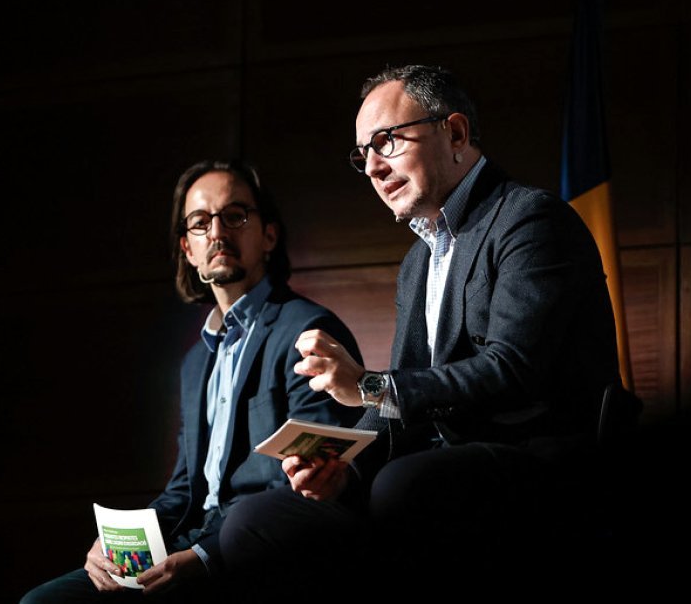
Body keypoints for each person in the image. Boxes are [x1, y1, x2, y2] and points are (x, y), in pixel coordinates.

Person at [218, 65, 633, 592]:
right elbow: (406, 406)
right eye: (362, 153)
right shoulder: (419, 261)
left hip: (539, 465)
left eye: (386, 143)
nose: (371, 166)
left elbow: (514, 369)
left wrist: (369, 386)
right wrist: (340, 464)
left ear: (455, 134)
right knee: (254, 522)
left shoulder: (530, 220)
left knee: (405, 486)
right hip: (431, 475)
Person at [20, 160, 365, 603]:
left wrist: (205, 556)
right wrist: (117, 547)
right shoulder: (196, 360)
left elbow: (313, 482)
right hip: (188, 542)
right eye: (201, 223)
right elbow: (184, 490)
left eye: (235, 216)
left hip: (253, 547)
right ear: (188, 248)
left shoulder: (309, 330)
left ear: (269, 237)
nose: (217, 232)